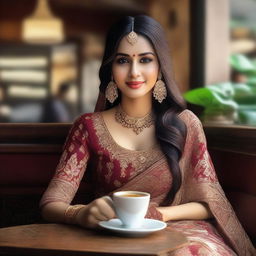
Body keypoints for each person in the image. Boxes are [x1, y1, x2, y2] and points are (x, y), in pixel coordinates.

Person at [40, 15, 255, 255]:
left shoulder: (184, 124)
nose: (134, 72)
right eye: (122, 60)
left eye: (145, 60)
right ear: (110, 67)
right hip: (115, 234)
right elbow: (51, 204)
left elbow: (209, 203)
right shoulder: (88, 126)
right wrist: (80, 214)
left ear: (160, 66)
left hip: (182, 230)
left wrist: (156, 214)